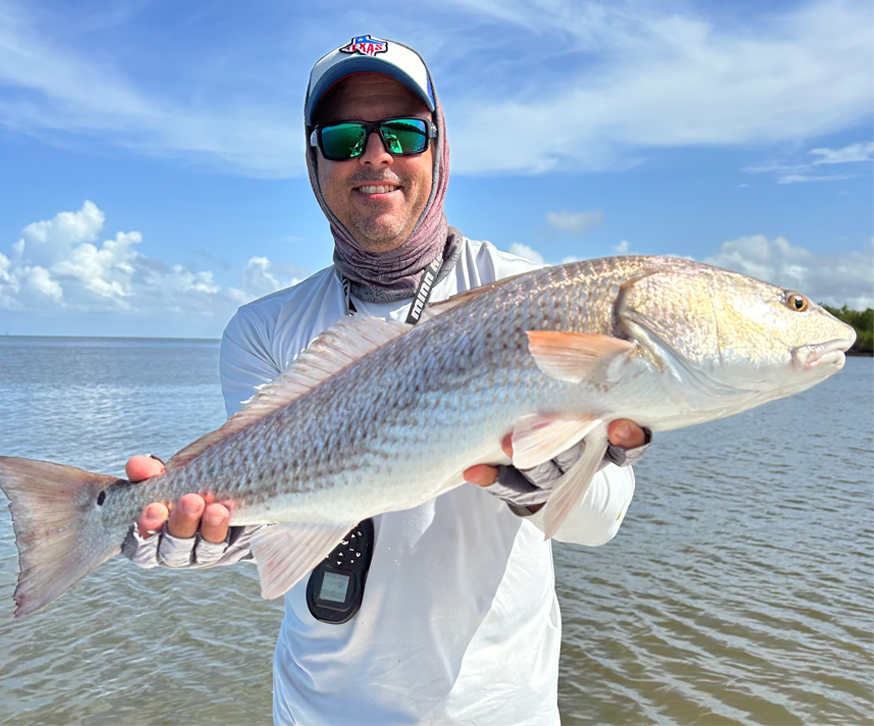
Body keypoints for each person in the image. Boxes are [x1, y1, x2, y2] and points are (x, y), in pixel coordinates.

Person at [122, 36, 652, 725]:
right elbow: (271, 515)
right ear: (314, 163)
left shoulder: (535, 294)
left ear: (439, 147)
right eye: (344, 137)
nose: (375, 156)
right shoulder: (261, 328)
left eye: (402, 132)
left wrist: (553, 475)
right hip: (314, 707)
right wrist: (193, 536)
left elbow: (600, 519)